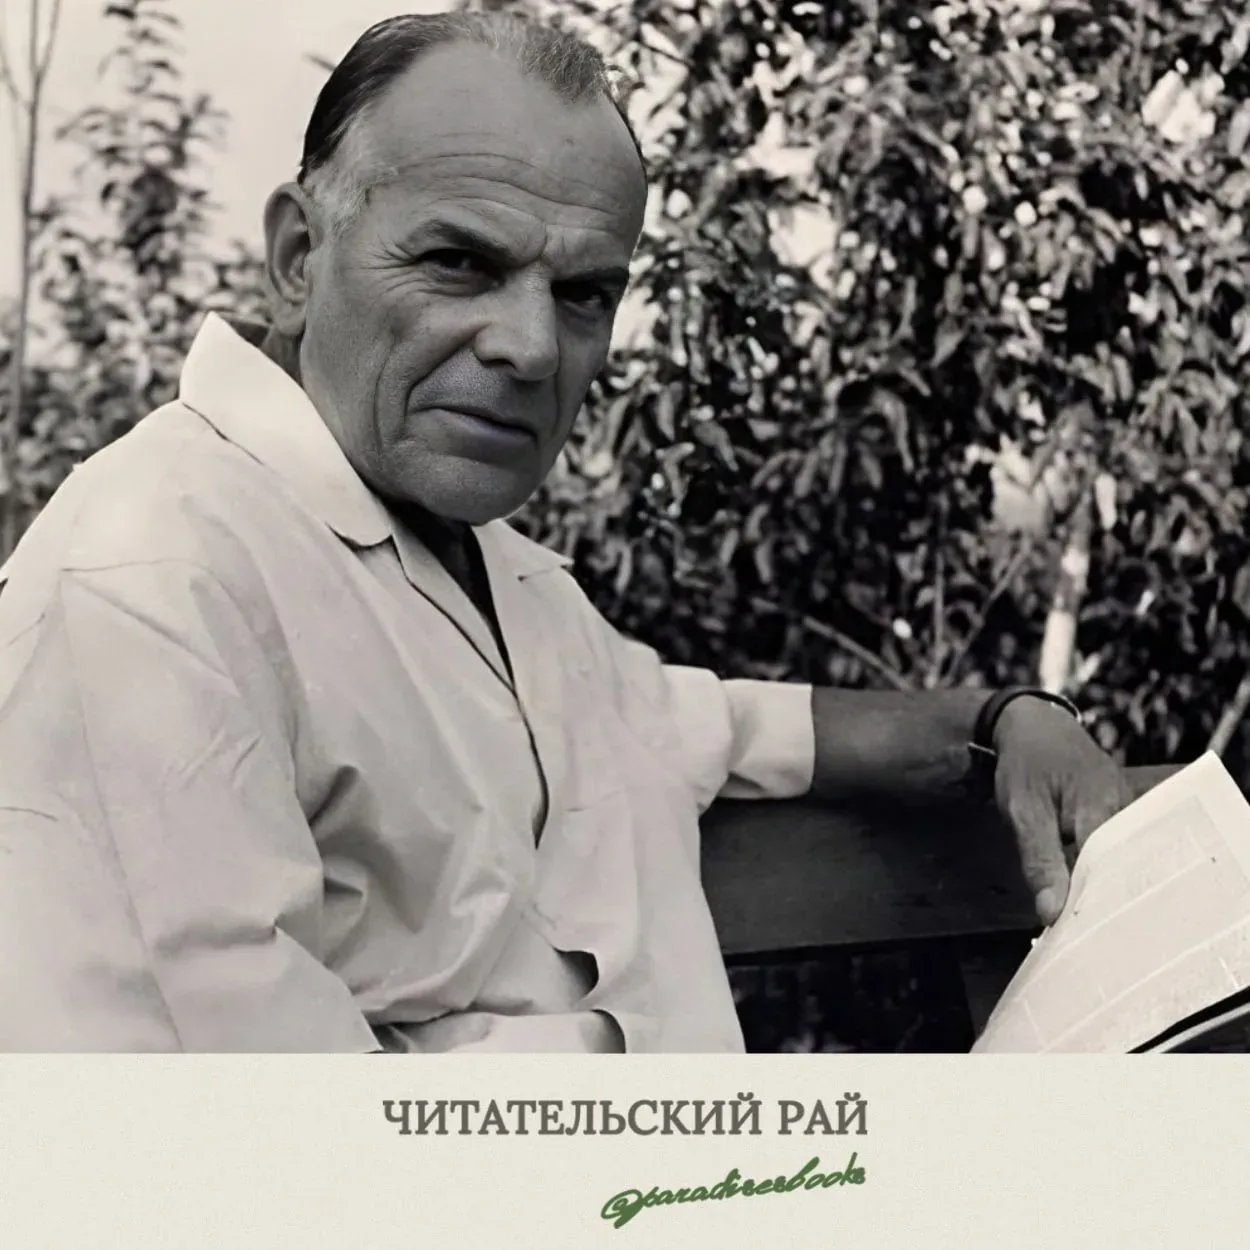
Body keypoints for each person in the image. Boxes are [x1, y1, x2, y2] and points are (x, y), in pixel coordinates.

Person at [0, 12, 1136, 1052]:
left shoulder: (497, 576)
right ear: (300, 259)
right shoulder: (152, 580)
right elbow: (230, 1145)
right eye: (459, 263)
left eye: (585, 292)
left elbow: (719, 726)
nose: (532, 348)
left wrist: (1007, 719)